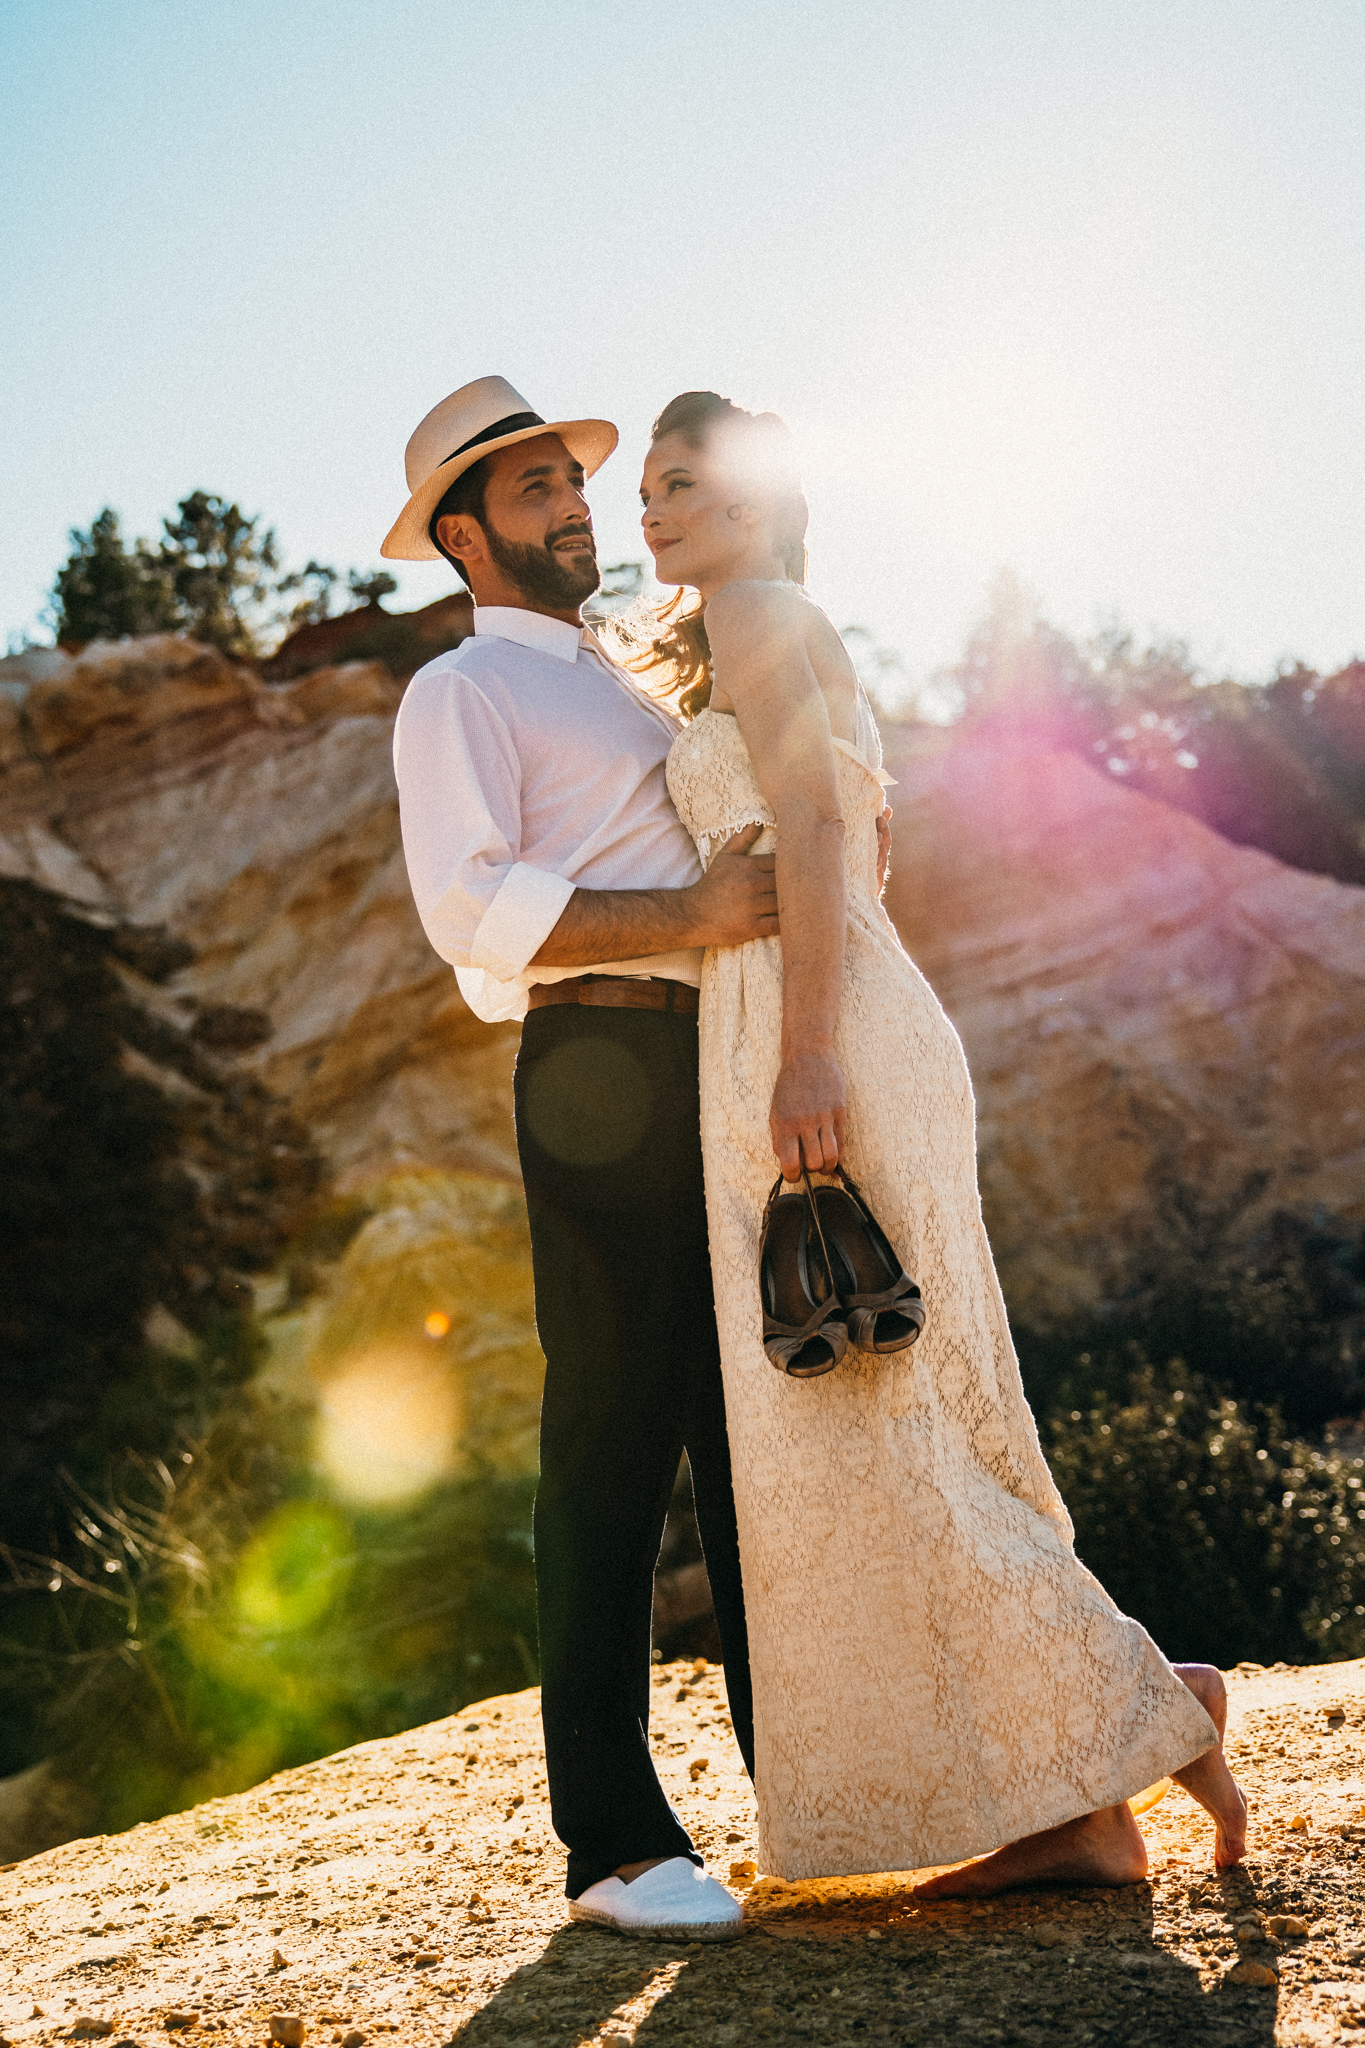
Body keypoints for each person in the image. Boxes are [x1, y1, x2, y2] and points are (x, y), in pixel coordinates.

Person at [629, 388, 1248, 1896]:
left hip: (811, 1025)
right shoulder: (764, 627)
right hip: (813, 1013)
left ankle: (1130, 1724)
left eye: (685, 482)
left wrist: (807, 1053)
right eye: (648, 486)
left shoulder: (759, 610)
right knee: (892, 1419)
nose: (654, 509)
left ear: (755, 499)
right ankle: (1086, 1788)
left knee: (891, 1419)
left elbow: (815, 834)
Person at [383, 376, 771, 1939]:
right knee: (610, 1441)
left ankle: (810, 1780)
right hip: (598, 1068)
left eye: (572, 480)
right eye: (533, 487)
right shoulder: (458, 691)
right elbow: (468, 911)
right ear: (462, 535)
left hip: (713, 1064)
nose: (572, 504)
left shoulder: (623, 679)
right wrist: (689, 916)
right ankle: (611, 1848)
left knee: (752, 1432)